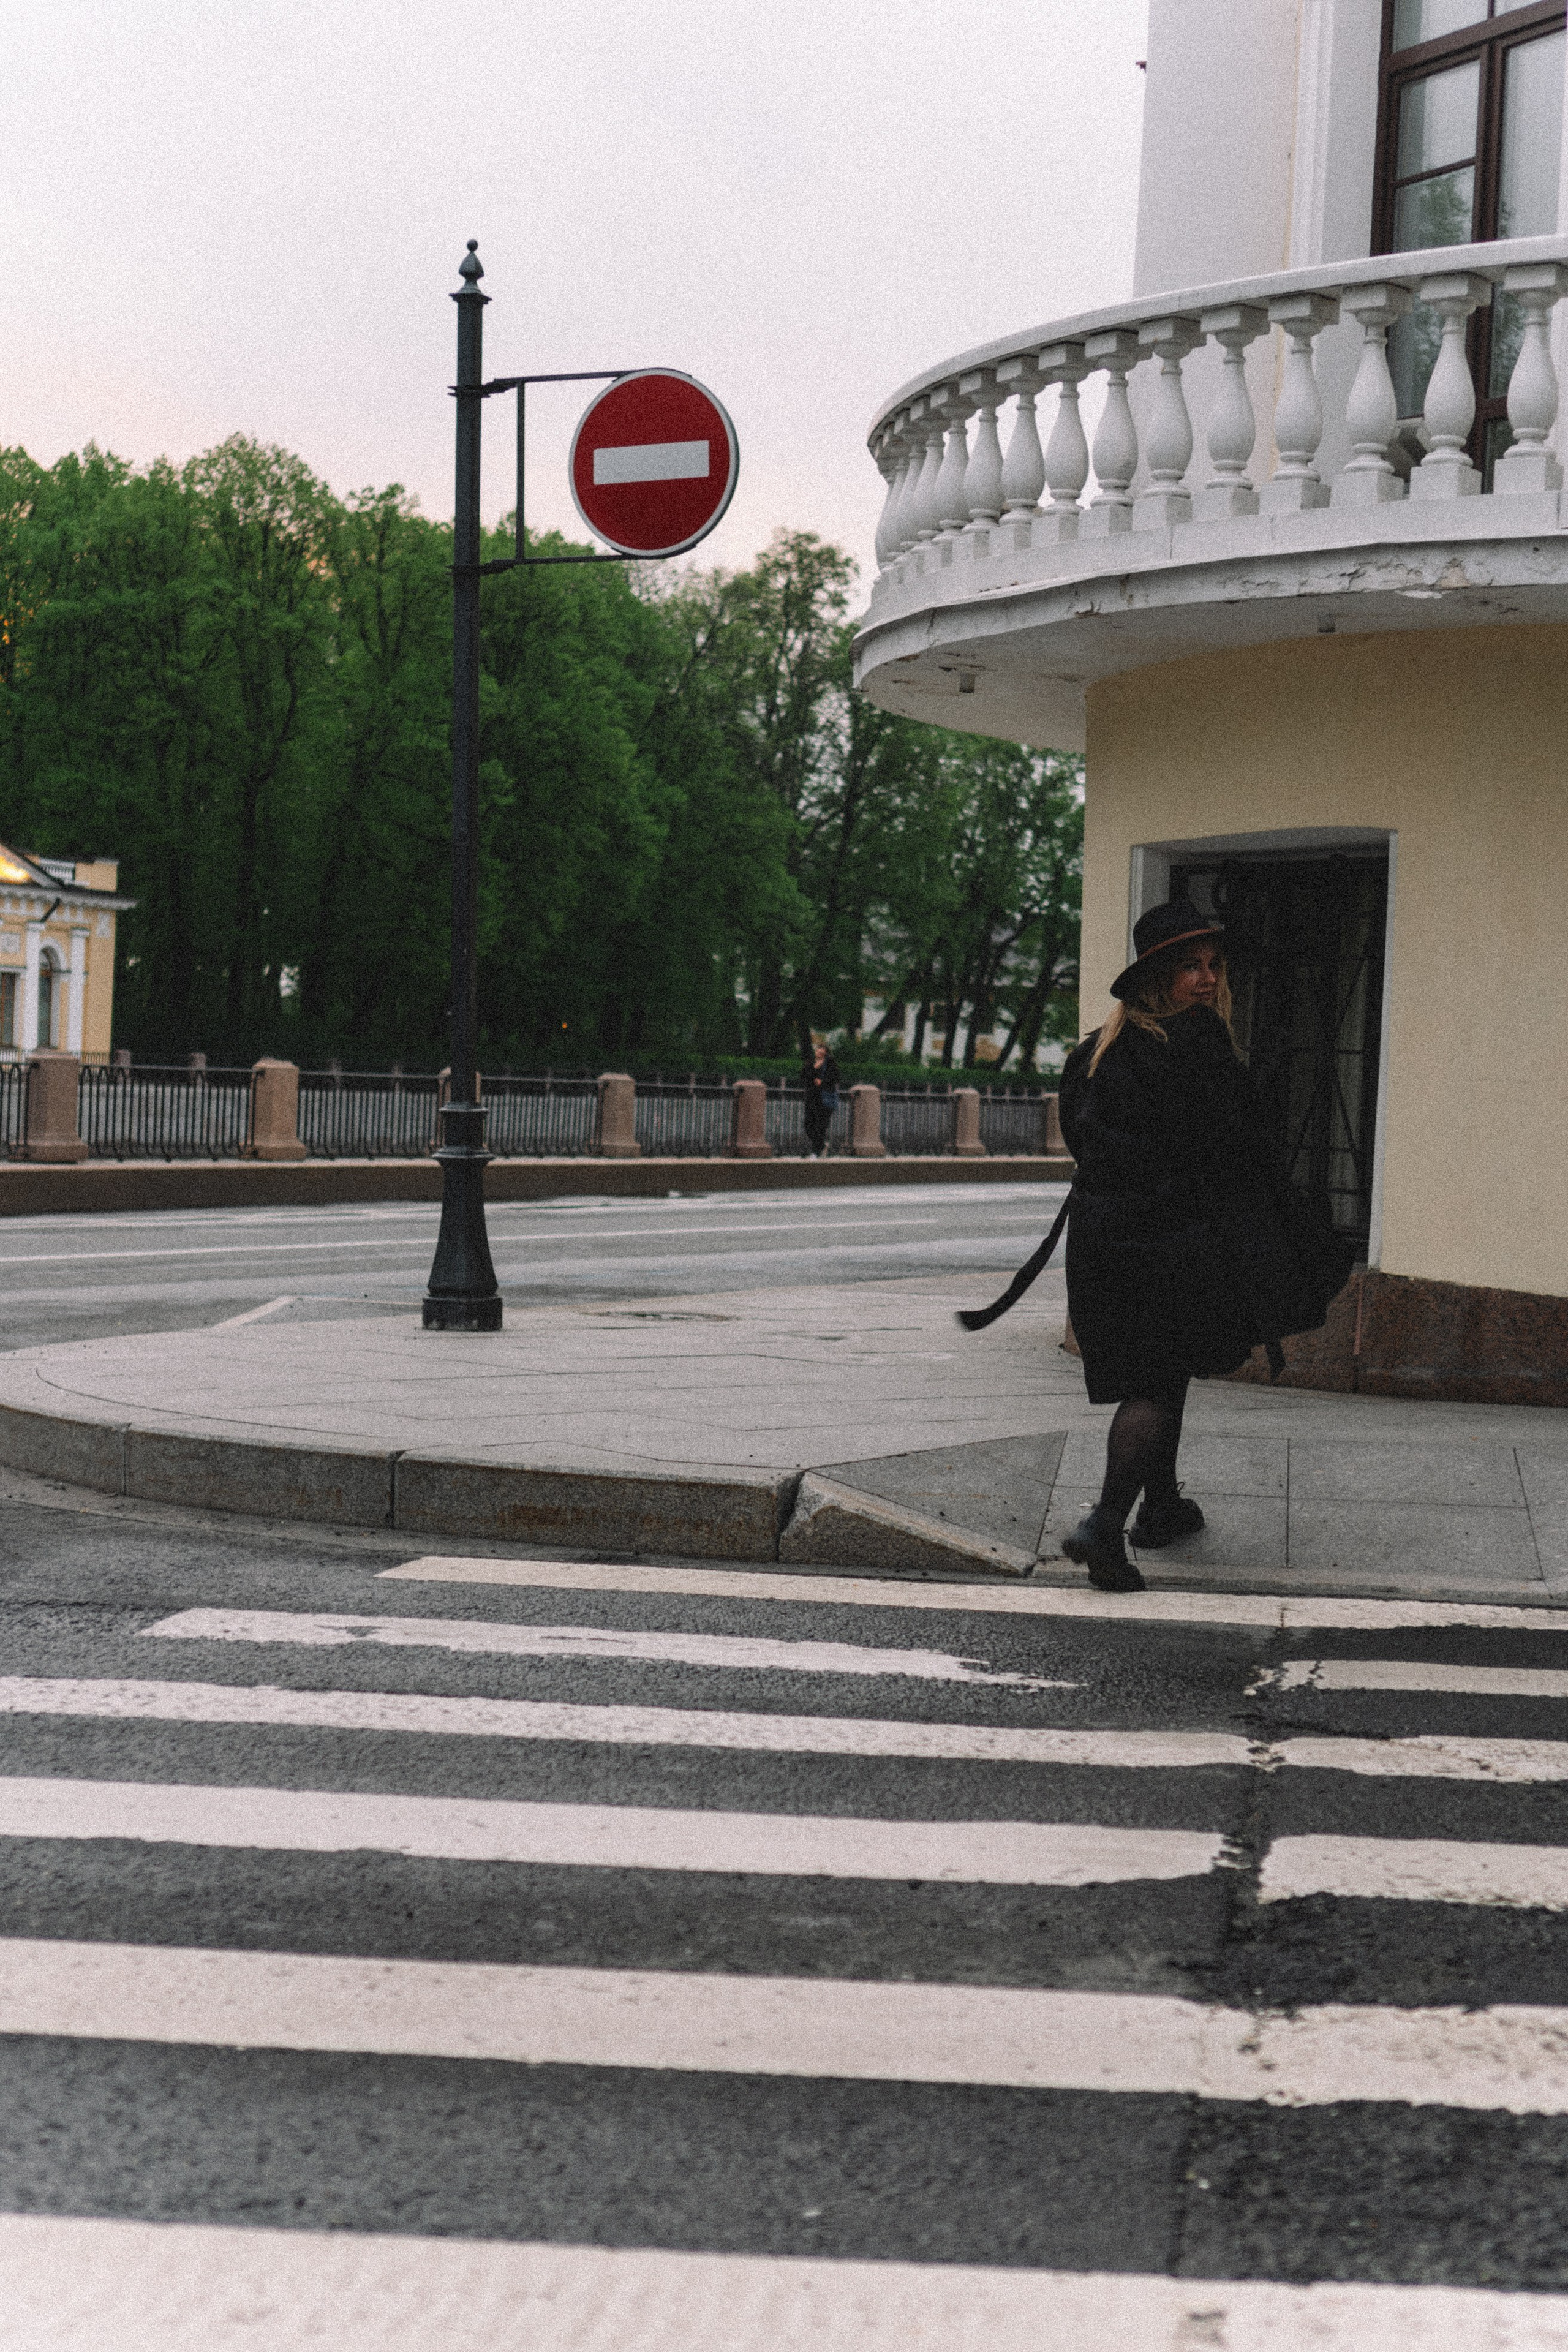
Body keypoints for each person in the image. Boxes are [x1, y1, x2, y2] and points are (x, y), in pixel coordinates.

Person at [1049, 898, 1355, 1594]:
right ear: (1157, 976)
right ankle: (1104, 1523)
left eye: (1213, 966)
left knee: (1158, 1371)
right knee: (1156, 1383)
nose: (1207, 979)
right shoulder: (1195, 1049)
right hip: (1171, 1244)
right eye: (1189, 966)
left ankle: (1160, 1509)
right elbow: (1239, 1152)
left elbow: (1085, 1145)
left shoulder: (1095, 1052)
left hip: (1104, 1243)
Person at [802, 1040, 840, 1158]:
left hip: (824, 1100)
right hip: (812, 1098)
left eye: (823, 1051)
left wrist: (823, 1082)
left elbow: (836, 1079)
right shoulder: (810, 1063)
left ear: (826, 1053)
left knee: (820, 1126)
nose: (820, 1053)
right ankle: (822, 1145)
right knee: (808, 1125)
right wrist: (813, 1070)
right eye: (819, 1050)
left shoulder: (830, 1065)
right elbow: (803, 1077)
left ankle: (816, 1151)